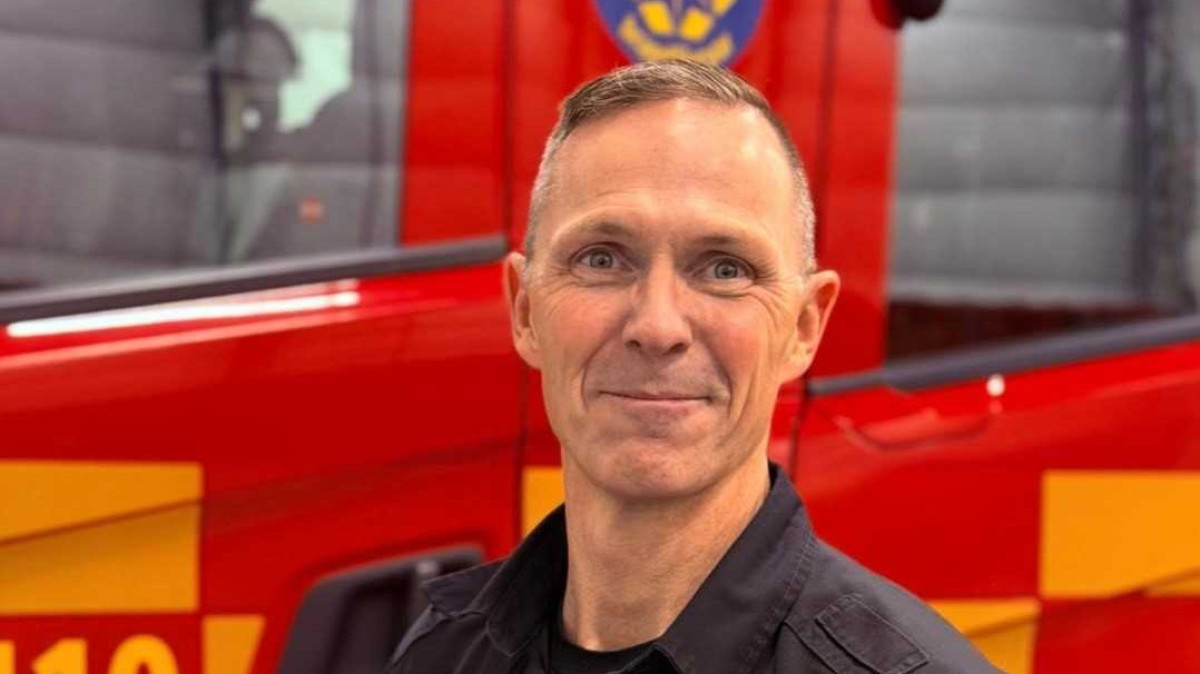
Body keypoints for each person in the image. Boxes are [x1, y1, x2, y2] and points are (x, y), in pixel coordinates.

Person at [388, 59, 1000, 674]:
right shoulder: (442, 652)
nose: (658, 327)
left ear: (803, 326)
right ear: (525, 311)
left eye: (725, 269)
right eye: (601, 259)